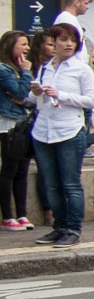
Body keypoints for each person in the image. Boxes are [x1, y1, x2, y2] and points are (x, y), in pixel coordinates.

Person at [27, 23, 94, 247]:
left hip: (69, 130)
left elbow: (90, 101)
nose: (68, 44)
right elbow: (36, 103)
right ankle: (58, 227)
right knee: (51, 184)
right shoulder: (46, 68)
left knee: (71, 184)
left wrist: (62, 95)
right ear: (53, 43)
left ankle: (73, 228)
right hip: (44, 130)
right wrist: (36, 92)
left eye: (72, 40)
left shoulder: (81, 69)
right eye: (63, 40)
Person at [0, 31, 33, 232]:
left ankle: (22, 214)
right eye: (23, 44)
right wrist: (26, 72)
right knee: (9, 169)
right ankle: (7, 216)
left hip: (22, 123)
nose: (27, 48)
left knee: (22, 170)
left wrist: (24, 94)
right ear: (10, 45)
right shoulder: (4, 69)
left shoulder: (18, 70)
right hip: (7, 124)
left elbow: (28, 97)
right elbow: (21, 92)